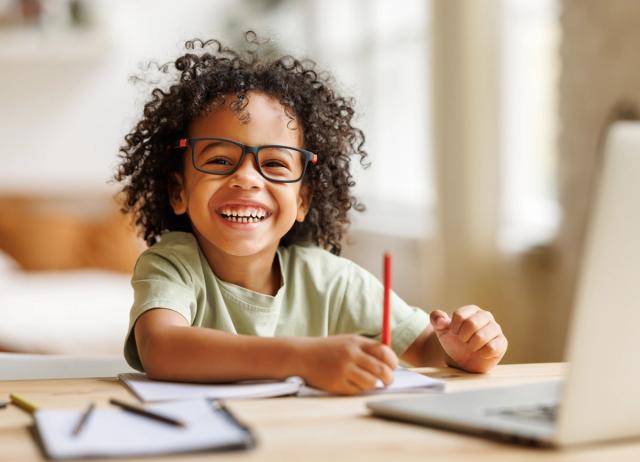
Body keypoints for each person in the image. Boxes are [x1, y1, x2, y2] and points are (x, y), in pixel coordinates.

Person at [115, 33, 508, 395]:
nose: (247, 178)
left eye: (275, 164)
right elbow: (162, 347)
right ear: (177, 191)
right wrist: (301, 359)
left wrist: (464, 350)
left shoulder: (332, 281)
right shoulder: (173, 265)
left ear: (303, 200)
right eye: (219, 159)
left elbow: (424, 347)